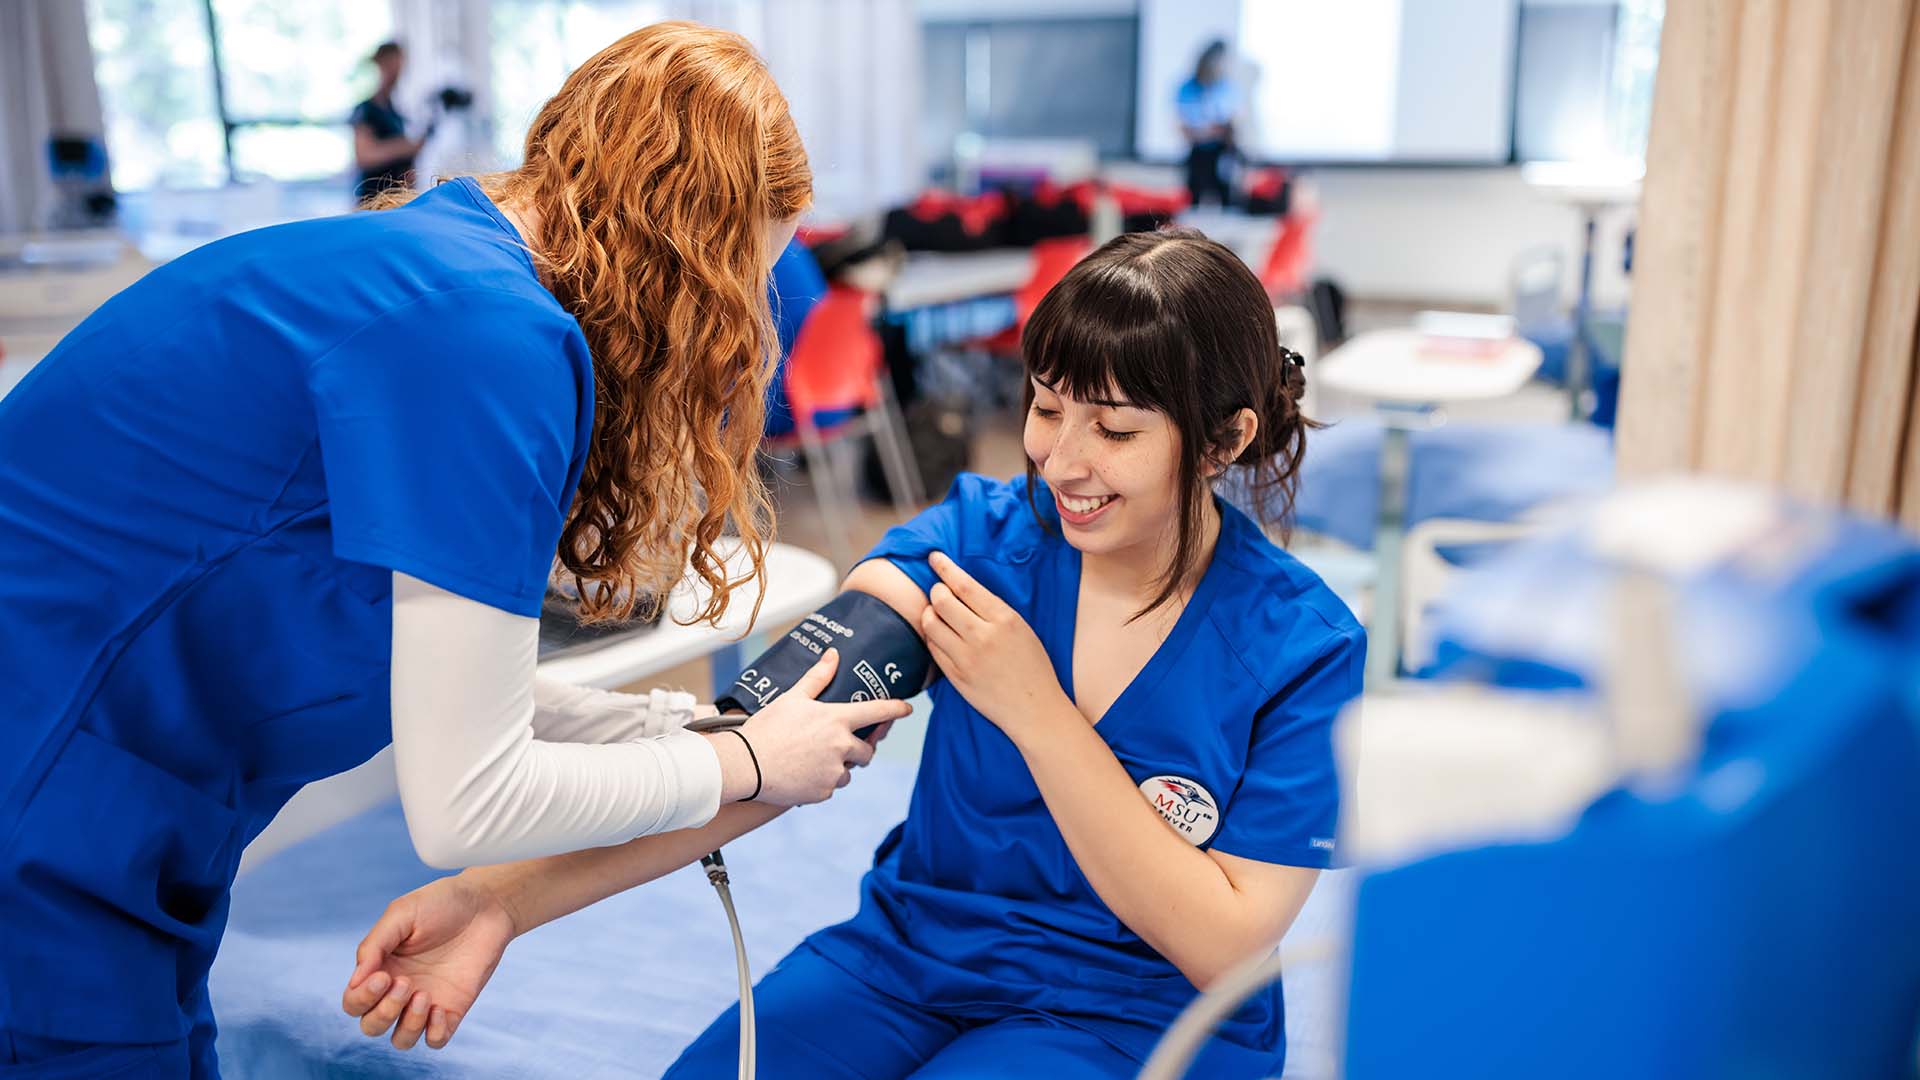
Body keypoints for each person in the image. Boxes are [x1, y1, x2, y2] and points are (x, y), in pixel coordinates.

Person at [0, 23, 905, 1078]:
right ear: (684, 256)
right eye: (736, 285)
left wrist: (660, 727)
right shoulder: (486, 343)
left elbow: (433, 674)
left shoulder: (433, 270)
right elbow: (468, 800)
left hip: (111, 797)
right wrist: (746, 762)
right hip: (47, 806)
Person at [344, 229, 1365, 1077]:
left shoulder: (1302, 649)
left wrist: (1035, 710)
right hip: (911, 957)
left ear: (1224, 440)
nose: (1061, 457)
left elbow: (1221, 938)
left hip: (1135, 1014)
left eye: (1116, 429)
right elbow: (746, 758)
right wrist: (497, 900)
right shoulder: (974, 549)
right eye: (1047, 407)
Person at [351, 41, 429, 204]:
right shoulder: (366, 110)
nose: (398, 71)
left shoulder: (396, 113)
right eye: (394, 63)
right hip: (372, 201)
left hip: (395, 201)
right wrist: (404, 147)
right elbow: (364, 156)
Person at [1178, 40, 1241, 208]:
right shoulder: (1187, 88)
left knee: (1227, 196)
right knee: (1193, 198)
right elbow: (1183, 125)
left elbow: (1231, 121)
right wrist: (1205, 132)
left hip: (1221, 152)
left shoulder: (1226, 88)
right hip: (1197, 151)